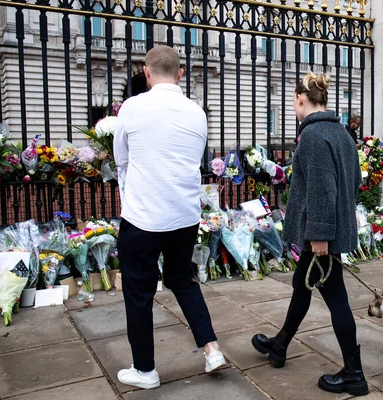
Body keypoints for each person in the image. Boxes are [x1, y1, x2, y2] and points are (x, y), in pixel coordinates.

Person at [114, 46, 227, 390]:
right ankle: (212, 349)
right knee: (182, 279)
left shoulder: (132, 107)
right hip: (184, 215)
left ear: (146, 73)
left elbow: (121, 159)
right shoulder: (196, 113)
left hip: (143, 216)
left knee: (138, 291)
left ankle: (145, 370)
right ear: (180, 73)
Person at [251, 72, 368, 396]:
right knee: (301, 286)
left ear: (301, 99)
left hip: (322, 235)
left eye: (293, 101)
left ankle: (354, 373)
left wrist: (320, 234)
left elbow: (321, 189)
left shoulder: (315, 136)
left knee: (336, 299)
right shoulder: (341, 132)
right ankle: (280, 344)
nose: (293, 106)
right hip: (329, 230)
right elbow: (355, 180)